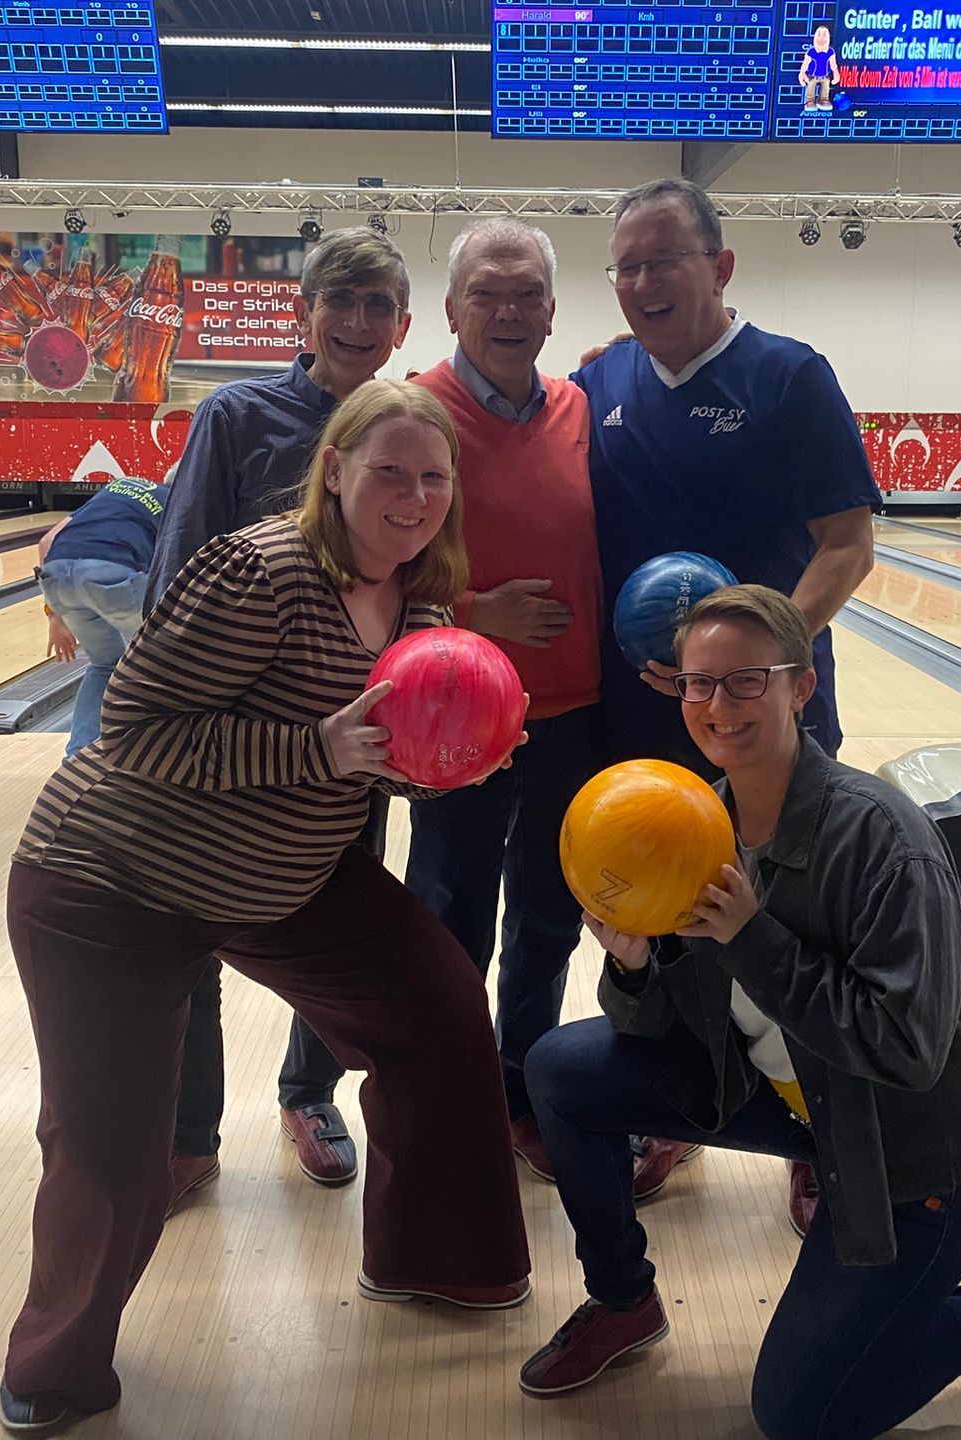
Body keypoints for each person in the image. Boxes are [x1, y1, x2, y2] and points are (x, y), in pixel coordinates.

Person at [0, 381, 531, 1435]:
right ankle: (53, 1371)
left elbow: (376, 759)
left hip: (280, 879)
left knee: (437, 1007)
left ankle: (437, 1264)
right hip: (117, 884)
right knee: (111, 1152)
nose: (414, 495)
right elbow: (137, 726)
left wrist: (445, 768)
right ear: (334, 468)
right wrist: (312, 748)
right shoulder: (260, 571)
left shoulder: (421, 597)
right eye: (389, 470)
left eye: (433, 478)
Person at [517, 585, 961, 1435]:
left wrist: (752, 936)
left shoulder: (883, 843)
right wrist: (633, 969)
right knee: (559, 1071)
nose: (717, 705)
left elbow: (907, 1051)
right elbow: (675, 1028)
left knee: (801, 1417)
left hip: (908, 1149)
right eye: (697, 684)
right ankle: (624, 1301)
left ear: (801, 686)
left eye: (747, 680)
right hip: (791, 1099)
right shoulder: (693, 822)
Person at [574, 177, 881, 1229]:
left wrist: (761, 661)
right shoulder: (601, 377)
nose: (643, 280)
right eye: (626, 264)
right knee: (656, 914)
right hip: (641, 710)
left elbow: (849, 543)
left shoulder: (790, 376)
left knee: (795, 916)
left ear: (720, 266)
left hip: (768, 712)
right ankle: (672, 1107)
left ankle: (818, 1123)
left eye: (665, 258)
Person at [149, 227, 413, 1200]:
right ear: (304, 314)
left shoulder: (410, 428)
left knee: (335, 924)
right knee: (193, 931)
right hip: (238, 737)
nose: (355, 320)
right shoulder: (236, 415)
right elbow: (175, 577)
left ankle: (309, 1094)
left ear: (401, 324)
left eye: (376, 303)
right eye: (338, 300)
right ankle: (185, 1138)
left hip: (357, 740)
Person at [405, 219, 606, 1178]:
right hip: (455, 725)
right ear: (452, 309)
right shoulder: (415, 410)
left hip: (572, 715)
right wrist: (473, 611)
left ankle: (522, 1090)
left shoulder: (579, 405)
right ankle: (446, 1095)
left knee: (547, 918)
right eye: (488, 292)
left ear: (553, 310)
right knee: (449, 916)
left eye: (527, 293)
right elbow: (367, 558)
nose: (509, 310)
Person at [36, 476, 171, 756]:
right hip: (112, 574)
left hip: (57, 576)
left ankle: (78, 757)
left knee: (103, 664)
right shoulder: (175, 502)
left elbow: (47, 541)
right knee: (158, 662)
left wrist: (54, 614)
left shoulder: (118, 486)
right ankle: (155, 755)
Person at [800, 25, 839, 112]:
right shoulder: (811, 52)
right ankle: (810, 102)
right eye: (819, 36)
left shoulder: (830, 52)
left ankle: (824, 100)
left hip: (825, 76)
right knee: (811, 88)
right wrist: (802, 73)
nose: (821, 40)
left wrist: (836, 74)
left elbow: (833, 65)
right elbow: (805, 64)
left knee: (825, 88)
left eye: (824, 37)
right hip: (812, 77)